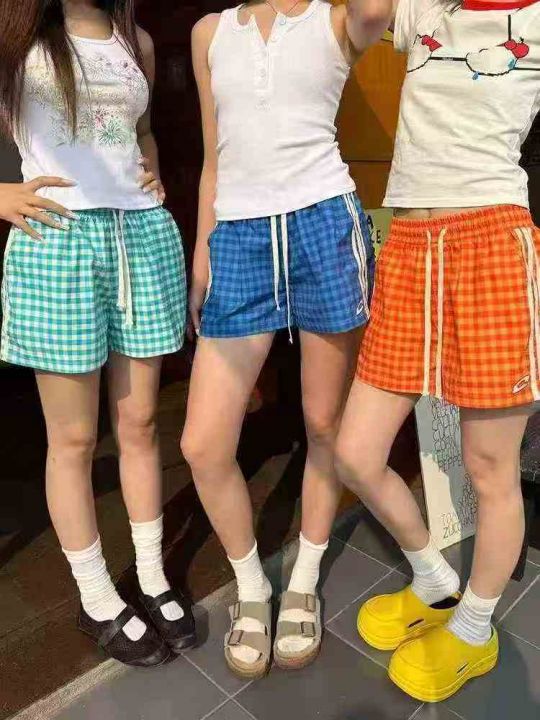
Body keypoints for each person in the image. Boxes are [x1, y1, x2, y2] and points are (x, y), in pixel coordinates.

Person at [335, 0, 540, 702]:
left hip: (492, 244)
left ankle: (475, 629)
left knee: (491, 467)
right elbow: (363, 10)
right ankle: (433, 580)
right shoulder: (422, 7)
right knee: (356, 452)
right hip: (409, 248)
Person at [184, 0, 392, 679]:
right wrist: (203, 251)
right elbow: (214, 155)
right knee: (203, 442)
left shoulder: (337, 20)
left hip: (322, 227)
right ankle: (251, 586)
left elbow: (378, 8)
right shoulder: (210, 32)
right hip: (240, 235)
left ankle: (303, 577)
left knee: (324, 423)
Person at [0, 0, 195, 666]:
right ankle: (94, 595)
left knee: (140, 423)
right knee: (75, 438)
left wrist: (152, 167)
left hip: (140, 236)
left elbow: (141, 133)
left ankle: (151, 574)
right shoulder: (17, 35)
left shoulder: (135, 38)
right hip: (59, 238)